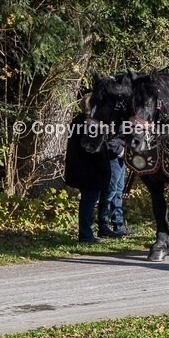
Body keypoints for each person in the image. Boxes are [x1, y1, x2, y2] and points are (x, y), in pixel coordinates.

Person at [64, 95, 111, 243]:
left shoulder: (77, 120)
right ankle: (85, 234)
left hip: (80, 168)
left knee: (87, 201)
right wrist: (104, 166)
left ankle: (86, 232)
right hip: (91, 170)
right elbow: (94, 149)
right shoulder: (91, 124)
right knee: (89, 202)